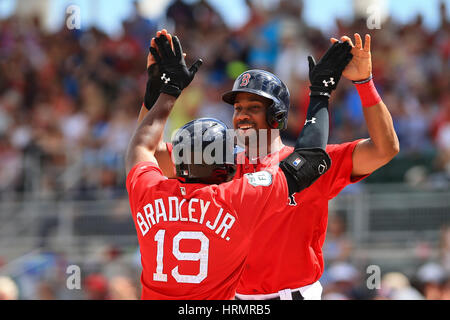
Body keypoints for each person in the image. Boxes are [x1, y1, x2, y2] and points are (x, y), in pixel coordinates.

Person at [142, 30, 396, 300]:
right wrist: (157, 89)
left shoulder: (312, 161)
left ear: (277, 114)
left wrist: (365, 83)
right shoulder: (214, 160)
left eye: (253, 107)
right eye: (238, 108)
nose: (241, 116)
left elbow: (385, 148)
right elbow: (147, 151)